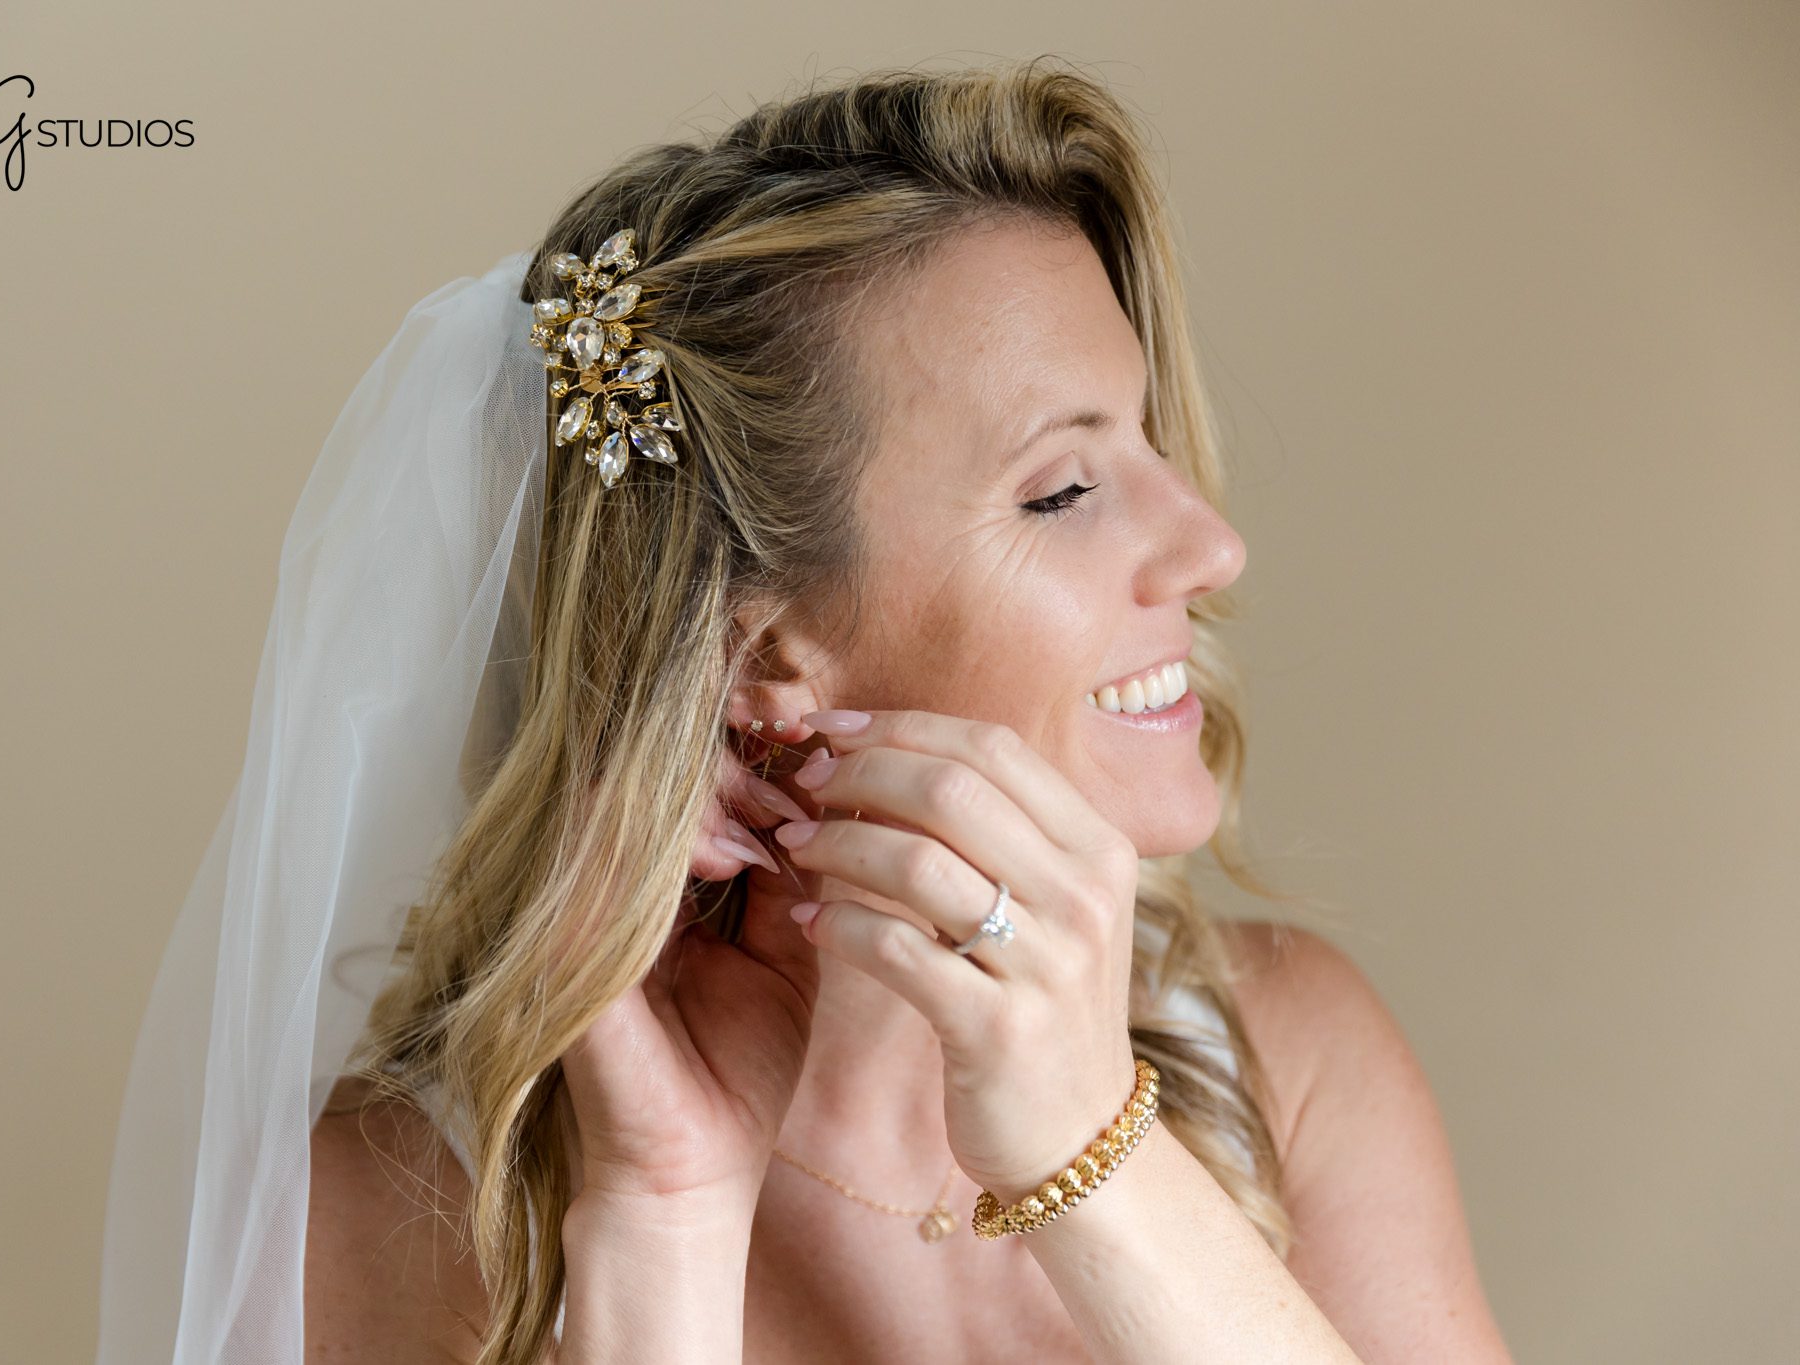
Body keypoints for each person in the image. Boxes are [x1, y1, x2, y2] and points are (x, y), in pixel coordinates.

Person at [100, 57, 1514, 1364]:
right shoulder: (386, 1201)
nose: (1210, 543)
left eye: (1147, 440)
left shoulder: (1288, 1059)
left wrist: (1089, 1146)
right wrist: (664, 1220)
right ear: (768, 652)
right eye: (1066, 489)